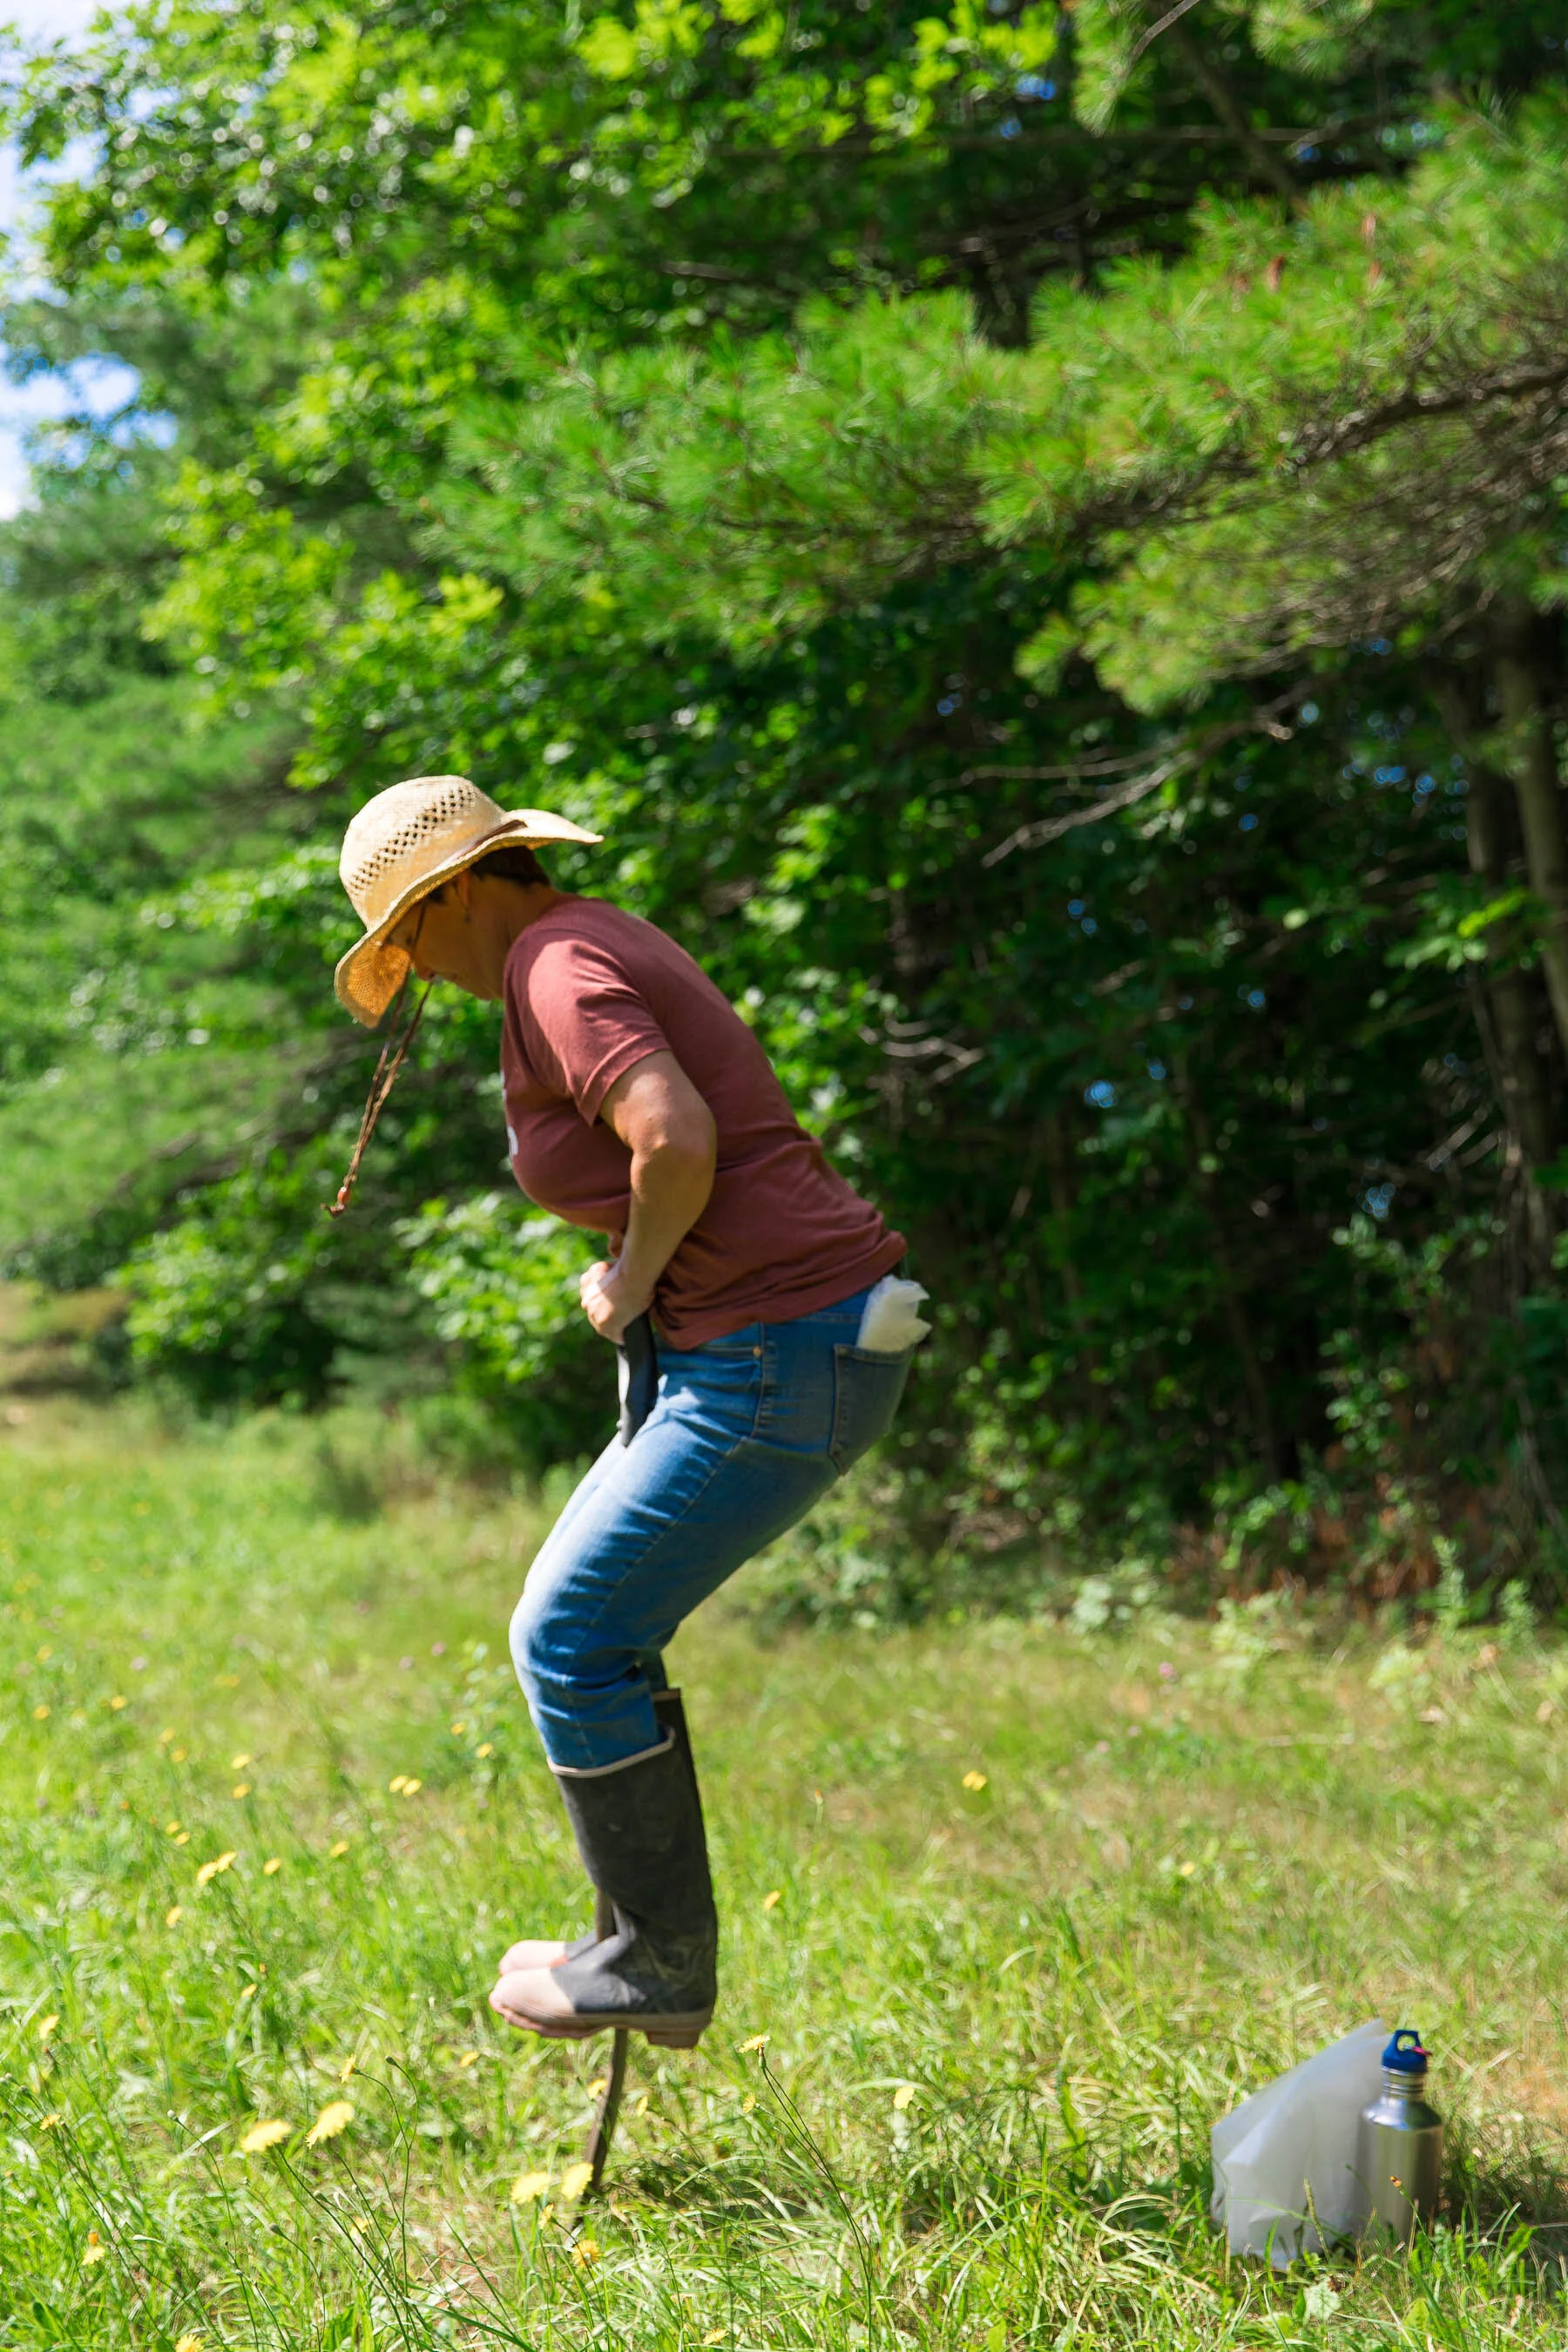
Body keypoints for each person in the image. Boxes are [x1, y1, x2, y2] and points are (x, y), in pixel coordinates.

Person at [333, 774, 922, 2048]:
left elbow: (676, 1137)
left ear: (453, 896)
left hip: (776, 1350)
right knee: (582, 1632)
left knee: (573, 1636)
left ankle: (658, 1963)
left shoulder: (554, 966)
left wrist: (634, 1279)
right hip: (767, 1343)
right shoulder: (574, 947)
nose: (414, 970)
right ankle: (630, 1945)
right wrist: (638, 1271)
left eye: (406, 940)